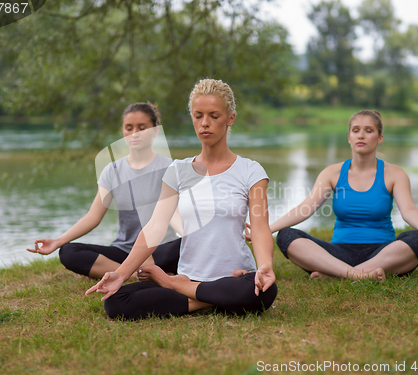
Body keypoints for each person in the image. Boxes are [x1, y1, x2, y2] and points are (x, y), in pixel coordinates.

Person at [86, 79, 277, 320]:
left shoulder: (251, 171)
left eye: (214, 116)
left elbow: (260, 227)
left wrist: (264, 267)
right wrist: (122, 273)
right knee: (116, 302)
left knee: (264, 290)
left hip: (236, 275)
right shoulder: (178, 170)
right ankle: (211, 297)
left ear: (230, 119)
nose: (204, 123)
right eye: (198, 116)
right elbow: (155, 227)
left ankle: (179, 287)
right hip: (192, 274)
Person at [253, 109, 418, 281]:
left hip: (383, 252)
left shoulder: (394, 174)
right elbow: (305, 209)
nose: (361, 135)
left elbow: (409, 211)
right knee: (287, 236)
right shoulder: (332, 173)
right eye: (355, 130)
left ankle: (336, 274)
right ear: (349, 137)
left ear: (380, 138)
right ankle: (359, 275)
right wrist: (265, 230)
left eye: (369, 131)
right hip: (339, 252)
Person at [27, 103, 182, 279]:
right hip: (124, 251)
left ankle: (150, 271)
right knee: (69, 252)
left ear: (155, 131)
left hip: (160, 251)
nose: (134, 133)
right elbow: (93, 216)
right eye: (128, 128)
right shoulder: (112, 170)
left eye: (142, 127)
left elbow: (179, 217)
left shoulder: (171, 168)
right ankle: (134, 275)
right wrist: (58, 240)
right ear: (122, 131)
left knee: (186, 243)